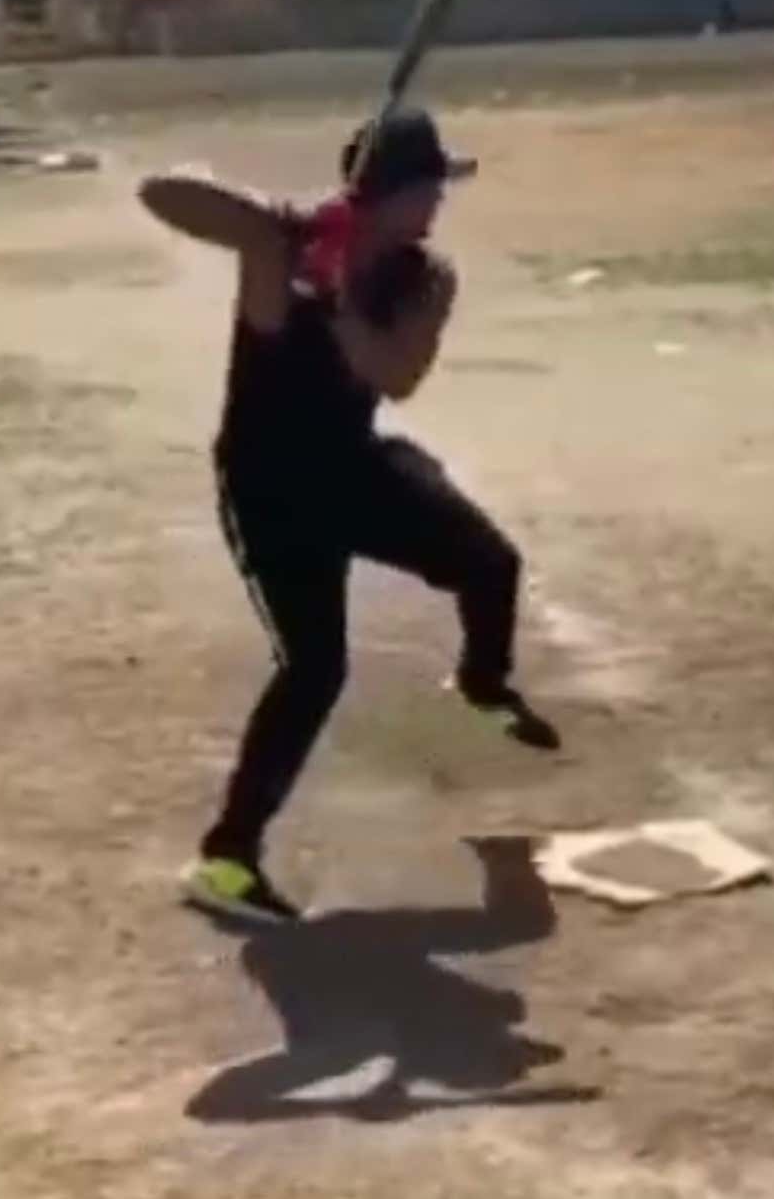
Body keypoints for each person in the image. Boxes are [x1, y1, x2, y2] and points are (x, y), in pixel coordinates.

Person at [139, 107, 559, 925]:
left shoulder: (424, 276)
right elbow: (161, 193)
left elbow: (395, 375)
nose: (438, 203)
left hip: (353, 465)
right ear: (388, 193)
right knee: (314, 668)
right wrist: (289, 224)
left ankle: (481, 679)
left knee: (492, 565)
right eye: (427, 187)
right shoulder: (282, 250)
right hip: (268, 487)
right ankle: (226, 859)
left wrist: (336, 298)